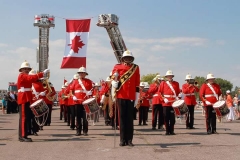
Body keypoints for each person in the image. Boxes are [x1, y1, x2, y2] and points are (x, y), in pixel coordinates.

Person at [111, 50, 140, 146]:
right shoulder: (117, 67)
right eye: (126, 58)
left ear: (131, 59)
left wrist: (137, 97)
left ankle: (129, 140)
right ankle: (122, 140)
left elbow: (137, 83)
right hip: (121, 95)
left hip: (131, 96)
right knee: (122, 118)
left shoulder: (135, 68)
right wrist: (113, 82)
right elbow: (113, 77)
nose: (128, 59)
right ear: (123, 58)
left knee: (130, 119)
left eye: (129, 58)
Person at [17, 60, 49, 142]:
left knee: (26, 117)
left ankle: (24, 134)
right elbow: (31, 77)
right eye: (24, 69)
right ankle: (22, 136)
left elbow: (33, 79)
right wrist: (41, 73)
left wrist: (41, 77)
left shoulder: (26, 76)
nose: (26, 70)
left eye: (27, 69)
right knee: (23, 118)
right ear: (21, 70)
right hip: (24, 97)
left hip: (27, 96)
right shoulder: (22, 76)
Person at [71, 66, 93, 136]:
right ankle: (78, 131)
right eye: (80, 73)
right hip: (77, 102)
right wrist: (73, 96)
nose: (81, 74)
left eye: (83, 73)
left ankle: (85, 131)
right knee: (78, 117)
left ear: (85, 74)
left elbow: (92, 89)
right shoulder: (75, 81)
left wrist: (90, 93)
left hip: (85, 102)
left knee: (85, 117)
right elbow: (71, 91)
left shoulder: (89, 81)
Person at [159, 70, 180, 135]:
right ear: (166, 77)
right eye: (168, 76)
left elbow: (178, 92)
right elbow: (160, 92)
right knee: (166, 117)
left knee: (172, 118)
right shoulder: (163, 83)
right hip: (166, 103)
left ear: (172, 76)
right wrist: (163, 99)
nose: (170, 77)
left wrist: (178, 97)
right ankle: (167, 130)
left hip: (173, 102)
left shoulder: (176, 83)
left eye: (171, 76)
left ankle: (172, 130)